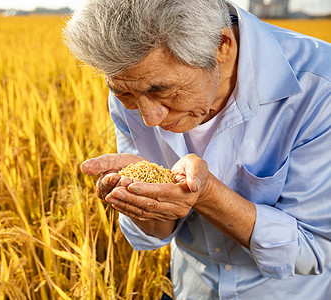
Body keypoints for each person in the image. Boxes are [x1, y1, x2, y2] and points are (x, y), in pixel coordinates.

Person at [64, 0, 331, 298]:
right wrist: (140, 200)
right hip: (189, 287)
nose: (149, 118)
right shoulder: (134, 79)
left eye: (162, 91)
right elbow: (158, 233)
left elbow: (316, 250)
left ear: (221, 45)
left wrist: (207, 195)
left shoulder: (319, 88)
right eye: (123, 93)